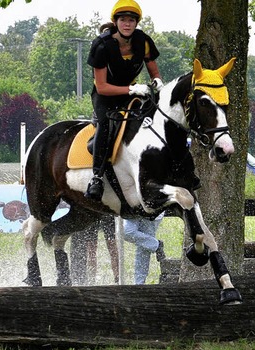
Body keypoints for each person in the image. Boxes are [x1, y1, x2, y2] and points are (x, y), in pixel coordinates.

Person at [84, 0, 163, 200]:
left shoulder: (143, 41)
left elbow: (152, 67)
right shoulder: (102, 45)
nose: (127, 24)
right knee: (107, 123)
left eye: (131, 20)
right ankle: (97, 177)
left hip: (133, 92)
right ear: (116, 22)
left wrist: (157, 82)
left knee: (156, 115)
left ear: (136, 23)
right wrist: (131, 89)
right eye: (123, 20)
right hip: (106, 96)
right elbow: (102, 87)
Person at [122, 212, 165, 284]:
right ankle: (156, 244)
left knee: (143, 250)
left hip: (152, 211)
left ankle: (139, 284)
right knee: (126, 231)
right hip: (132, 210)